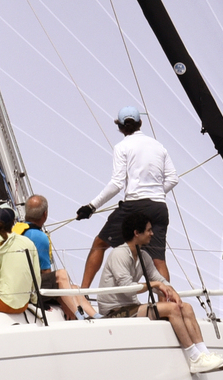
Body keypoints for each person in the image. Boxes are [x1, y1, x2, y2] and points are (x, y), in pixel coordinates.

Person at [97, 215, 223, 374]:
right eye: (148, 230)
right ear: (136, 233)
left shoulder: (143, 256)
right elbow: (127, 287)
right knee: (171, 309)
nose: (152, 234)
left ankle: (205, 355)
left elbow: (158, 279)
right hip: (114, 312)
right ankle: (194, 358)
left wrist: (171, 291)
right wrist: (155, 285)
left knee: (186, 307)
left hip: (131, 308)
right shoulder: (119, 254)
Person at [77, 105, 180, 289]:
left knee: (99, 244)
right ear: (140, 123)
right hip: (159, 207)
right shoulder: (158, 146)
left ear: (120, 127)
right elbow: (173, 178)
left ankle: (82, 292)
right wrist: (154, 193)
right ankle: (168, 303)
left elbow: (117, 184)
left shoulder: (122, 147)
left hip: (134, 207)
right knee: (158, 259)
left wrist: (91, 207)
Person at [13, 194, 95, 320]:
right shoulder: (39, 237)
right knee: (62, 276)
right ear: (45, 214)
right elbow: (47, 274)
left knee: (73, 288)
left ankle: (95, 316)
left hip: (16, 285)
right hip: (30, 290)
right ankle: (80, 315)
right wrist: (64, 302)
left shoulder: (16, 231)